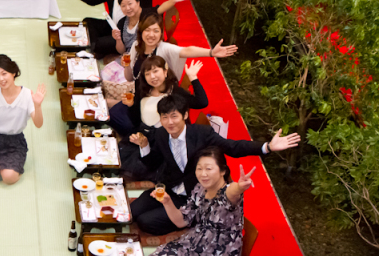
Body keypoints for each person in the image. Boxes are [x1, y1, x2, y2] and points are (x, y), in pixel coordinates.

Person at [129, 94, 300, 235]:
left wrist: (267, 146)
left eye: (174, 116)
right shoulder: (161, 134)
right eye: (164, 117)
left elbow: (232, 146)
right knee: (133, 211)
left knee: (146, 222)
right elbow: (152, 164)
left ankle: (192, 222)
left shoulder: (202, 134)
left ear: (185, 115)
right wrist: (144, 147)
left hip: (192, 197)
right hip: (168, 189)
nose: (169, 122)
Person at [144, 147, 254, 256]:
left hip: (218, 252)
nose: (203, 174)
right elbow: (182, 221)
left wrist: (240, 186)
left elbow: (233, 191)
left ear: (223, 171)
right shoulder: (199, 189)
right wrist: (167, 202)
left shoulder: (227, 193)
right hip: (196, 240)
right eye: (199, 168)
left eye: (209, 168)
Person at [0, 55, 46, 185]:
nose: (0, 79)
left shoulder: (27, 95)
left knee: (8, 177)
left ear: (13, 73)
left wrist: (37, 105)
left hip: (15, 142)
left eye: (4, 73)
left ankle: (8, 166)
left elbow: (38, 124)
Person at [125, 13, 238, 82]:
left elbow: (186, 50)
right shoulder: (136, 46)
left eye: (156, 31)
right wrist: (126, 66)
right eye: (147, 30)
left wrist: (211, 52)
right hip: (138, 94)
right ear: (141, 32)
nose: (151, 35)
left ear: (161, 34)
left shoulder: (164, 48)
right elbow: (130, 78)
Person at [122, 57, 208, 136]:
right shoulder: (143, 91)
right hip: (145, 134)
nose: (152, 77)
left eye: (155, 71)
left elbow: (201, 102)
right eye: (147, 74)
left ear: (165, 72)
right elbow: (136, 121)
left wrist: (193, 77)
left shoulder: (175, 92)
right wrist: (131, 105)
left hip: (167, 139)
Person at [112, 0, 194, 54]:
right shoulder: (122, 23)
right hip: (129, 59)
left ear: (138, 2)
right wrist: (118, 39)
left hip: (148, 57)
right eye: (123, 6)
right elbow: (122, 51)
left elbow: (161, 8)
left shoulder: (148, 14)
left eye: (130, 4)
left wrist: (173, 0)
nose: (127, 8)